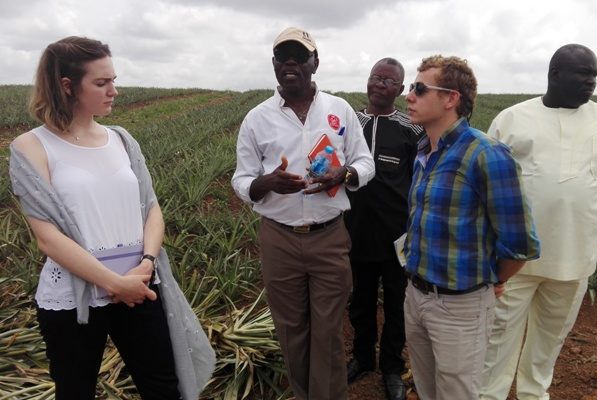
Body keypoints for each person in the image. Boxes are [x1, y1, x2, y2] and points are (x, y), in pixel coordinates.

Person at [9, 36, 214, 400]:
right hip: (75, 298)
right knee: (75, 391)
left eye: (113, 80)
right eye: (101, 83)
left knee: (164, 388)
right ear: (66, 86)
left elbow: (151, 209)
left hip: (138, 285)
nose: (114, 91)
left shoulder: (121, 139)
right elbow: (47, 237)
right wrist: (112, 283)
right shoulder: (31, 146)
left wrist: (147, 265)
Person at [481, 44, 597, 400]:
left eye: (595, 75)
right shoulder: (512, 118)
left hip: (575, 255)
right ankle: (488, 396)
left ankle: (533, 395)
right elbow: (486, 171)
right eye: (583, 74)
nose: (591, 82)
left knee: (550, 339)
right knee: (498, 335)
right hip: (515, 258)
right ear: (554, 75)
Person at [231, 27, 375, 400]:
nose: (290, 63)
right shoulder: (256, 119)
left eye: (299, 55)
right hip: (279, 237)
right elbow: (241, 179)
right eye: (283, 57)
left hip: (329, 236)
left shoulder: (339, 109)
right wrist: (267, 183)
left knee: (326, 330)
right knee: (291, 329)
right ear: (275, 65)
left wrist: (343, 173)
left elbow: (364, 162)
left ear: (315, 62)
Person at [402, 55, 540, 400]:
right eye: (411, 87)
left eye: (419, 88)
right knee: (427, 387)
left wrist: (495, 280)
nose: (409, 95)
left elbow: (520, 243)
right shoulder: (424, 152)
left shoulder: (487, 154)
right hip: (416, 295)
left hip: (459, 307)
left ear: (451, 98)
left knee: (457, 393)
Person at [344, 57, 423, 400]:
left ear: (401, 90)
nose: (380, 84)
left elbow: (421, 180)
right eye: (376, 77)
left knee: (396, 304)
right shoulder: (348, 123)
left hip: (397, 237)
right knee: (359, 301)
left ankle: (391, 366)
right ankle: (362, 357)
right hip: (354, 232)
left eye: (389, 81)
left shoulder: (411, 130)